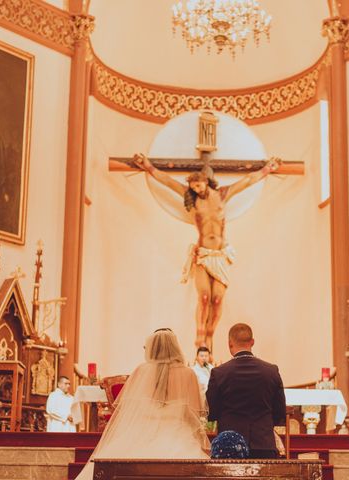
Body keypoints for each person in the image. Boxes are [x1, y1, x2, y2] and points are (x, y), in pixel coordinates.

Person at [134, 153, 282, 351]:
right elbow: (168, 181)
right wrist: (148, 166)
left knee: (217, 299)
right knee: (204, 298)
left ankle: (210, 335)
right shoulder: (192, 199)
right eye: (193, 187)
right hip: (203, 254)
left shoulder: (222, 194)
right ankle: (200, 336)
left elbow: (247, 181)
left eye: (199, 185)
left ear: (206, 181)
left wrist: (267, 169)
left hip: (220, 255)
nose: (196, 189)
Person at [75, 329, 209, 479]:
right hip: (177, 433)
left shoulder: (141, 371)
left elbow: (126, 409)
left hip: (142, 431)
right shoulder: (187, 373)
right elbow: (195, 412)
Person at [206, 323, 286, 459]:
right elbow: (279, 411)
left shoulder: (219, 373)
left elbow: (211, 411)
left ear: (230, 344)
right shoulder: (271, 371)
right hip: (263, 443)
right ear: (252, 342)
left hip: (229, 445)